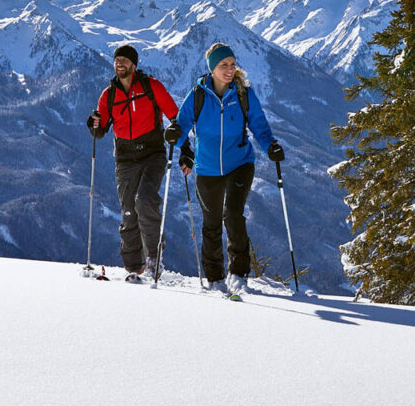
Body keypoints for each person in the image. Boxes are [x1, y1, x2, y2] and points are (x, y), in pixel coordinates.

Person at [173, 42, 283, 295]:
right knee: (211, 224)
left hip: (240, 163)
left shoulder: (243, 94)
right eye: (224, 65)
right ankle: (214, 278)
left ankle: (238, 273)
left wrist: (270, 146)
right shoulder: (198, 95)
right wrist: (174, 138)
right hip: (207, 167)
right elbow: (182, 123)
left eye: (232, 64)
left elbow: (259, 124)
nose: (230, 69)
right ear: (212, 69)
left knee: (233, 215)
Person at [86, 45, 182, 282]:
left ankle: (153, 262)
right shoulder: (108, 95)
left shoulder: (151, 87)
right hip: (126, 157)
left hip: (152, 153)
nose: (120, 64)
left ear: (134, 65)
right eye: (117, 60)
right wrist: (94, 124)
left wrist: (185, 146)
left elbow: (175, 117)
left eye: (125, 61)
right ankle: (133, 269)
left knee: (145, 200)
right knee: (129, 211)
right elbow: (100, 132)